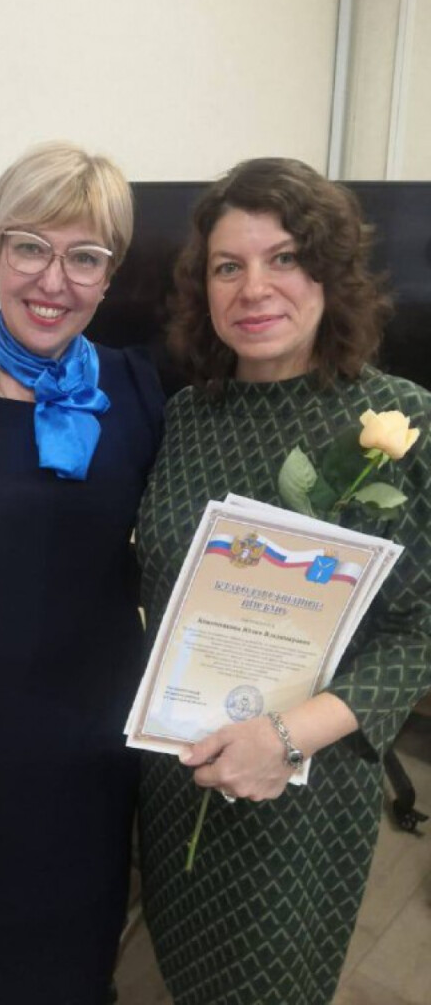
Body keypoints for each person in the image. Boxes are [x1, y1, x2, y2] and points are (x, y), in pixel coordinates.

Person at [137, 157, 431, 1005]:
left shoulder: (400, 422)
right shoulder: (187, 418)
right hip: (180, 766)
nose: (254, 288)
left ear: (330, 274)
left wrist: (289, 739)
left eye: (286, 258)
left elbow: (421, 631)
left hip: (305, 786)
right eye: (228, 266)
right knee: (183, 966)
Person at [0, 142, 163, 1005]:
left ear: (110, 275)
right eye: (30, 247)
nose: (53, 280)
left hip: (92, 747)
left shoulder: (142, 389)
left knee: (79, 963)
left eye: (85, 257)